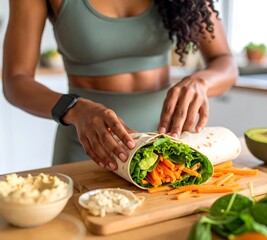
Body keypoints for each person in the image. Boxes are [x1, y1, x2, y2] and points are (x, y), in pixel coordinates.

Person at [2, 0, 238, 171]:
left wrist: (200, 82)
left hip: (167, 145)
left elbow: (225, 63)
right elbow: (15, 80)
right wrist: (74, 108)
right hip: (89, 148)